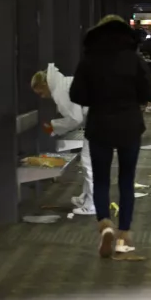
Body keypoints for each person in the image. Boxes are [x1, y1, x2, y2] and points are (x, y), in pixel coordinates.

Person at [70, 15, 151, 257]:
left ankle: (105, 224)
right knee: (126, 180)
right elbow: (148, 91)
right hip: (129, 125)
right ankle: (124, 234)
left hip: (100, 125)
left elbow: (77, 95)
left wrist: (96, 98)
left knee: (102, 179)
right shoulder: (134, 59)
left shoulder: (89, 60)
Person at [31, 65, 94, 215]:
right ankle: (86, 198)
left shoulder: (59, 91)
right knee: (89, 161)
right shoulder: (63, 83)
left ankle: (92, 204)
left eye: (40, 92)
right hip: (98, 119)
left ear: (44, 84)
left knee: (89, 163)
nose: (42, 96)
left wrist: (53, 126)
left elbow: (74, 118)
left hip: (100, 121)